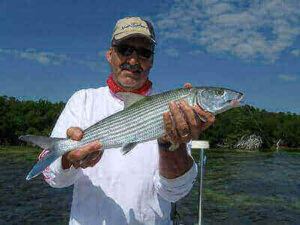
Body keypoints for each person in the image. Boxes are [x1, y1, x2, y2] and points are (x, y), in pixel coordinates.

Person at [41, 17, 215, 225]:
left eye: (144, 53)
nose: (133, 60)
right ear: (109, 54)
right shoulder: (82, 100)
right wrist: (68, 158)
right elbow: (53, 178)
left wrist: (172, 144)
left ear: (151, 60)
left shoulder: (174, 109)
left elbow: (175, 192)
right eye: (124, 49)